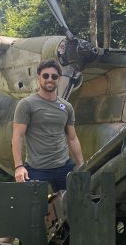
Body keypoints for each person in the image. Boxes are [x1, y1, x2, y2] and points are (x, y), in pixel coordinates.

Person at [12, 59, 84, 190]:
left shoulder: (66, 107)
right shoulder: (26, 104)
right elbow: (17, 136)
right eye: (45, 76)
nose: (50, 79)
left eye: (54, 76)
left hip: (64, 167)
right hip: (37, 169)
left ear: (59, 79)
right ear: (39, 77)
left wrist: (81, 165)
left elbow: (72, 138)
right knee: (34, 209)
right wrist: (18, 166)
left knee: (72, 206)